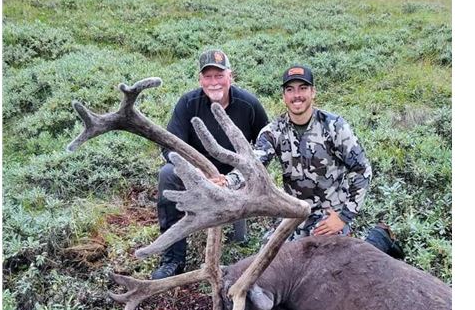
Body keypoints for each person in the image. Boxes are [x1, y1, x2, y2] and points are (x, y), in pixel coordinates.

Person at [214, 64, 372, 241]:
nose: (297, 95)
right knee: (268, 253)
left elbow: (362, 169)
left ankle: (377, 238)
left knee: (329, 256)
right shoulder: (273, 132)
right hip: (293, 214)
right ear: (284, 96)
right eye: (290, 90)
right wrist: (227, 182)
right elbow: (253, 165)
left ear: (313, 92)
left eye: (303, 88)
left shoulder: (335, 127)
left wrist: (344, 217)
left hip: (328, 217)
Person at [151, 49, 269, 279]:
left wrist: (236, 177)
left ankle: (238, 251)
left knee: (238, 243)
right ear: (200, 79)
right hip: (197, 173)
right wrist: (194, 172)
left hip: (235, 177)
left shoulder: (249, 104)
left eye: (219, 75)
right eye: (208, 76)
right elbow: (169, 145)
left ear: (230, 76)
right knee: (168, 174)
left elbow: (266, 145)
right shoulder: (188, 103)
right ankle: (173, 258)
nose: (214, 82)